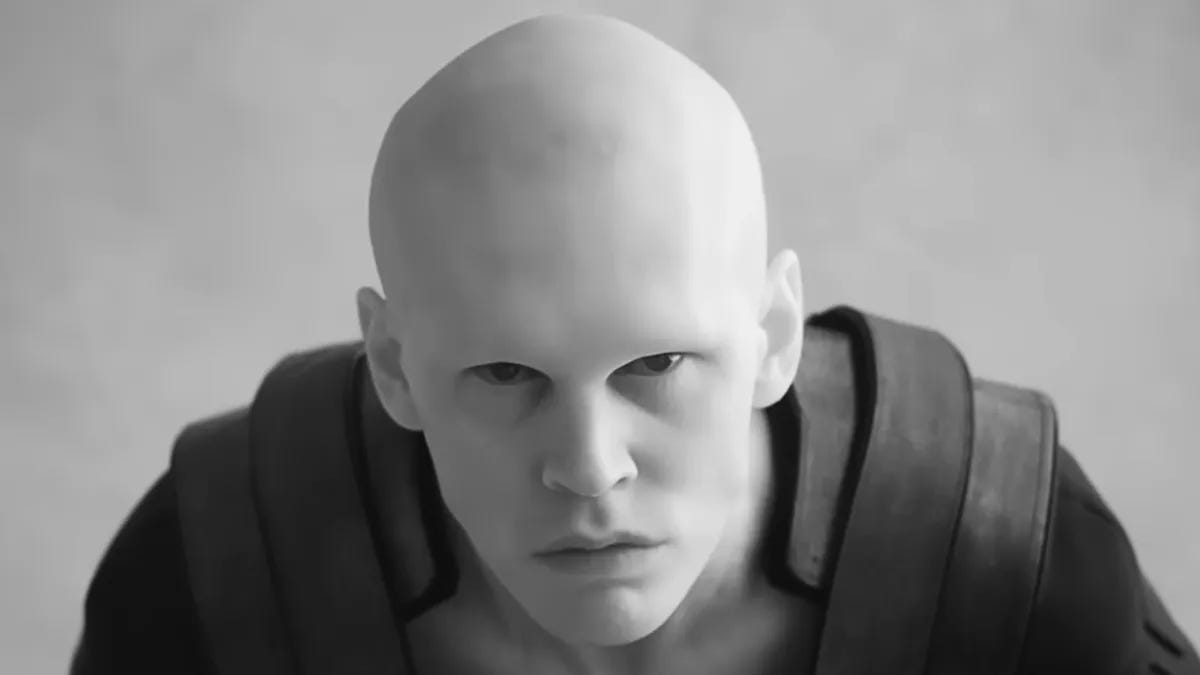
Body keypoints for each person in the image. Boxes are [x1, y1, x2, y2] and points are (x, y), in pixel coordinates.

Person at [71, 13, 1197, 675]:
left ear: (772, 335)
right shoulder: (217, 572)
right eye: (505, 372)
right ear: (396, 366)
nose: (589, 466)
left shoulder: (1007, 558)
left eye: (656, 365)